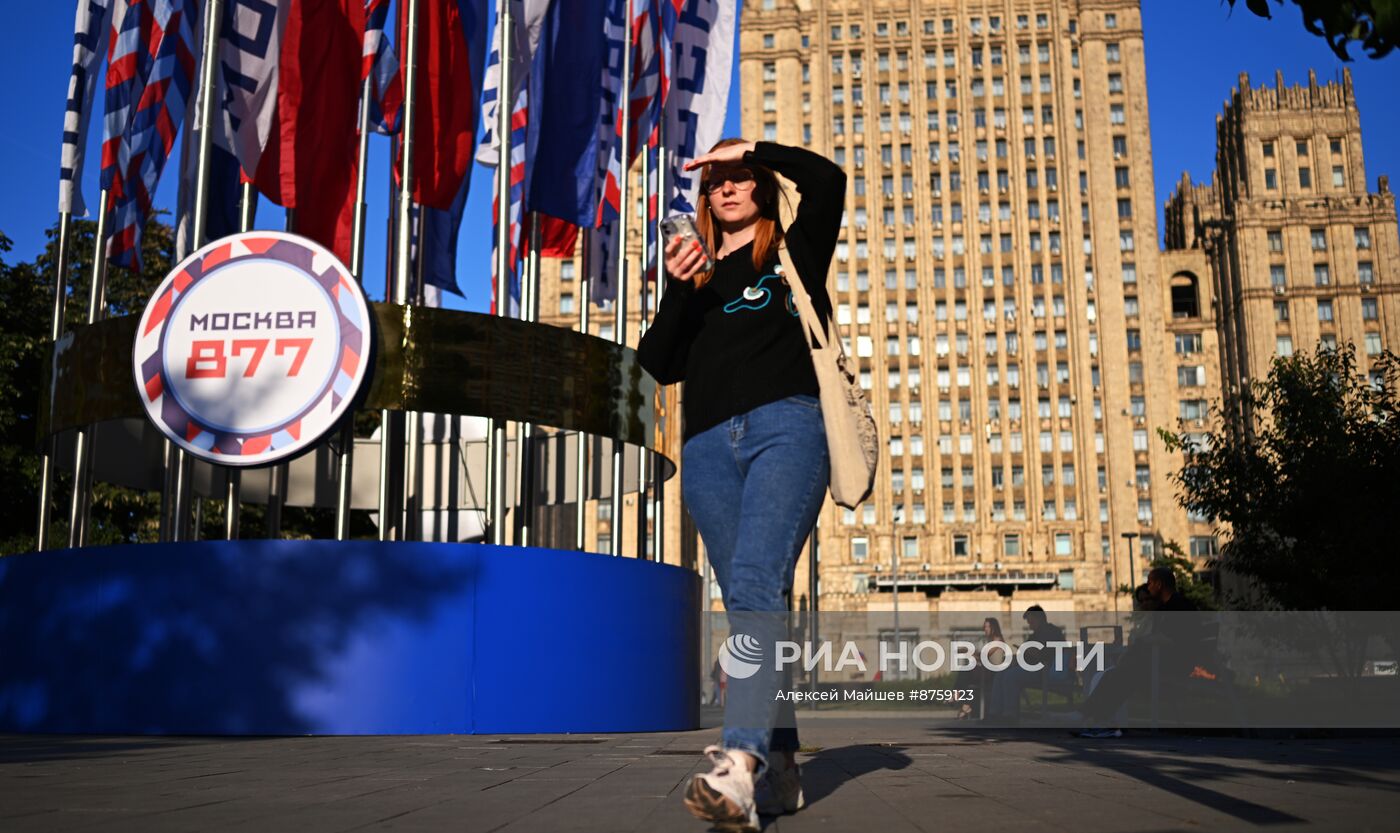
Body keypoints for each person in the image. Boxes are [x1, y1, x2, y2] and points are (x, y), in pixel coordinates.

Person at [636, 138, 845, 831]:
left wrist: (754, 146)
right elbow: (656, 364)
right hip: (706, 450)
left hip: (789, 429)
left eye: (739, 177)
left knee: (755, 584)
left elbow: (828, 178)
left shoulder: (794, 252)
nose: (726, 185)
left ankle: (740, 765)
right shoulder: (696, 275)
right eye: (716, 180)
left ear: (759, 185)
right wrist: (677, 287)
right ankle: (783, 769)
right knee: (751, 599)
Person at [1075, 567, 1202, 738]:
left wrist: (1144, 642)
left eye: (1150, 583)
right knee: (1115, 674)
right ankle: (1094, 719)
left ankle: (1096, 720)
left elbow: (1176, 640)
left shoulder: (1180, 606)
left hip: (1175, 666)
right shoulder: (1165, 609)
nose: (1148, 587)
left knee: (1121, 675)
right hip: (1159, 663)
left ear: (1159, 584)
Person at [987, 605, 1073, 721]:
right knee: (1000, 674)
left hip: (1045, 669)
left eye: (1030, 621)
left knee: (1011, 676)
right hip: (1033, 668)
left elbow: (1046, 655)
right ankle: (994, 713)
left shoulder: (1051, 632)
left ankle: (1009, 714)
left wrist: (1030, 652)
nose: (1029, 625)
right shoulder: (1035, 634)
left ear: (1038, 619)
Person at [957, 617, 1005, 719]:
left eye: (988, 626)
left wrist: (970, 651)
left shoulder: (998, 641)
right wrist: (973, 655)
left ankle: (960, 699)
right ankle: (965, 704)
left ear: (994, 627)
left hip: (993, 674)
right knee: (966, 670)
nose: (985, 629)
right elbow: (982, 658)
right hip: (987, 671)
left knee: (966, 670)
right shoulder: (989, 641)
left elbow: (984, 655)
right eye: (985, 627)